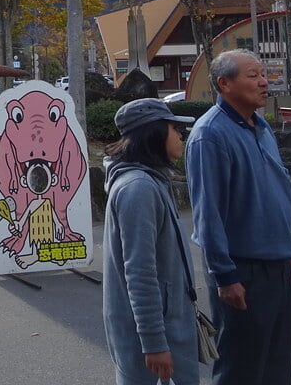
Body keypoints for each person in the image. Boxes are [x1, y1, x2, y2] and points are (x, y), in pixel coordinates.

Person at [185, 49, 291, 385]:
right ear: (224, 83)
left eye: (263, 74)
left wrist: (288, 251)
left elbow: (271, 192)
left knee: (275, 366)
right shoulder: (210, 135)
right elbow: (208, 214)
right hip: (241, 271)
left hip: (276, 265)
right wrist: (224, 276)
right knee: (242, 369)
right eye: (253, 75)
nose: (264, 82)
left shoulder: (260, 125)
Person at [103, 98, 199, 385]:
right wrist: (155, 343)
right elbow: (140, 273)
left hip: (166, 326)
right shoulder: (139, 188)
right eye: (173, 128)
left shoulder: (151, 180)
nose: (180, 135)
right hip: (153, 336)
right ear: (154, 133)